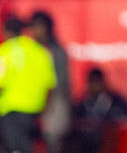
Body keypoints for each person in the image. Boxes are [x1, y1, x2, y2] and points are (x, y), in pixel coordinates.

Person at [0, 17, 58, 153]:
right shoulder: (41, 52)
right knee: (26, 147)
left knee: (14, 148)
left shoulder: (4, 52)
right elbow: (50, 86)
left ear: (5, 32)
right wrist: (43, 110)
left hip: (9, 110)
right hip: (34, 111)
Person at [28, 10, 72, 153]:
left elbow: (61, 85)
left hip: (53, 105)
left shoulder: (55, 51)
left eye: (38, 26)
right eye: (33, 27)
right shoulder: (30, 50)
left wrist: (46, 108)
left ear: (47, 28)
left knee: (52, 141)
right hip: (33, 104)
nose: (34, 31)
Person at [70, 68, 127, 153]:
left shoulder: (115, 101)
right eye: (92, 82)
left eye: (97, 82)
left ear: (103, 83)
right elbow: (76, 122)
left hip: (110, 142)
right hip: (87, 143)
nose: (94, 86)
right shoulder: (83, 104)